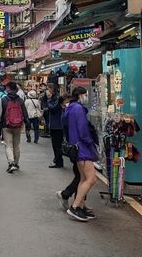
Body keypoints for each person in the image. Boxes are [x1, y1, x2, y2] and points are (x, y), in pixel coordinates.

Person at [61, 86, 98, 222]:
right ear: (81, 95)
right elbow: (83, 129)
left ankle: (80, 206)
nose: (86, 97)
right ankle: (75, 207)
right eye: (85, 94)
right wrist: (90, 141)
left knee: (83, 178)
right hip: (82, 147)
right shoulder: (78, 109)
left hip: (75, 145)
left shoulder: (69, 108)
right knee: (91, 178)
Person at [1, 81, 29, 173]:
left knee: (8, 145)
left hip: (7, 125)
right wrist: (27, 123)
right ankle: (16, 163)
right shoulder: (20, 100)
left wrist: (0, 124)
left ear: (8, 88)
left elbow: (1, 113)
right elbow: (25, 113)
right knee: (16, 145)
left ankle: (11, 163)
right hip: (18, 125)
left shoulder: (4, 100)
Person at [47, 87, 65, 168]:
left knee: (57, 145)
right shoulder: (56, 99)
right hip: (56, 125)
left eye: (48, 90)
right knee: (56, 144)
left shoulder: (56, 99)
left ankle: (58, 161)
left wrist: (48, 99)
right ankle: (57, 159)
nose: (47, 92)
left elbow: (52, 108)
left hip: (57, 126)